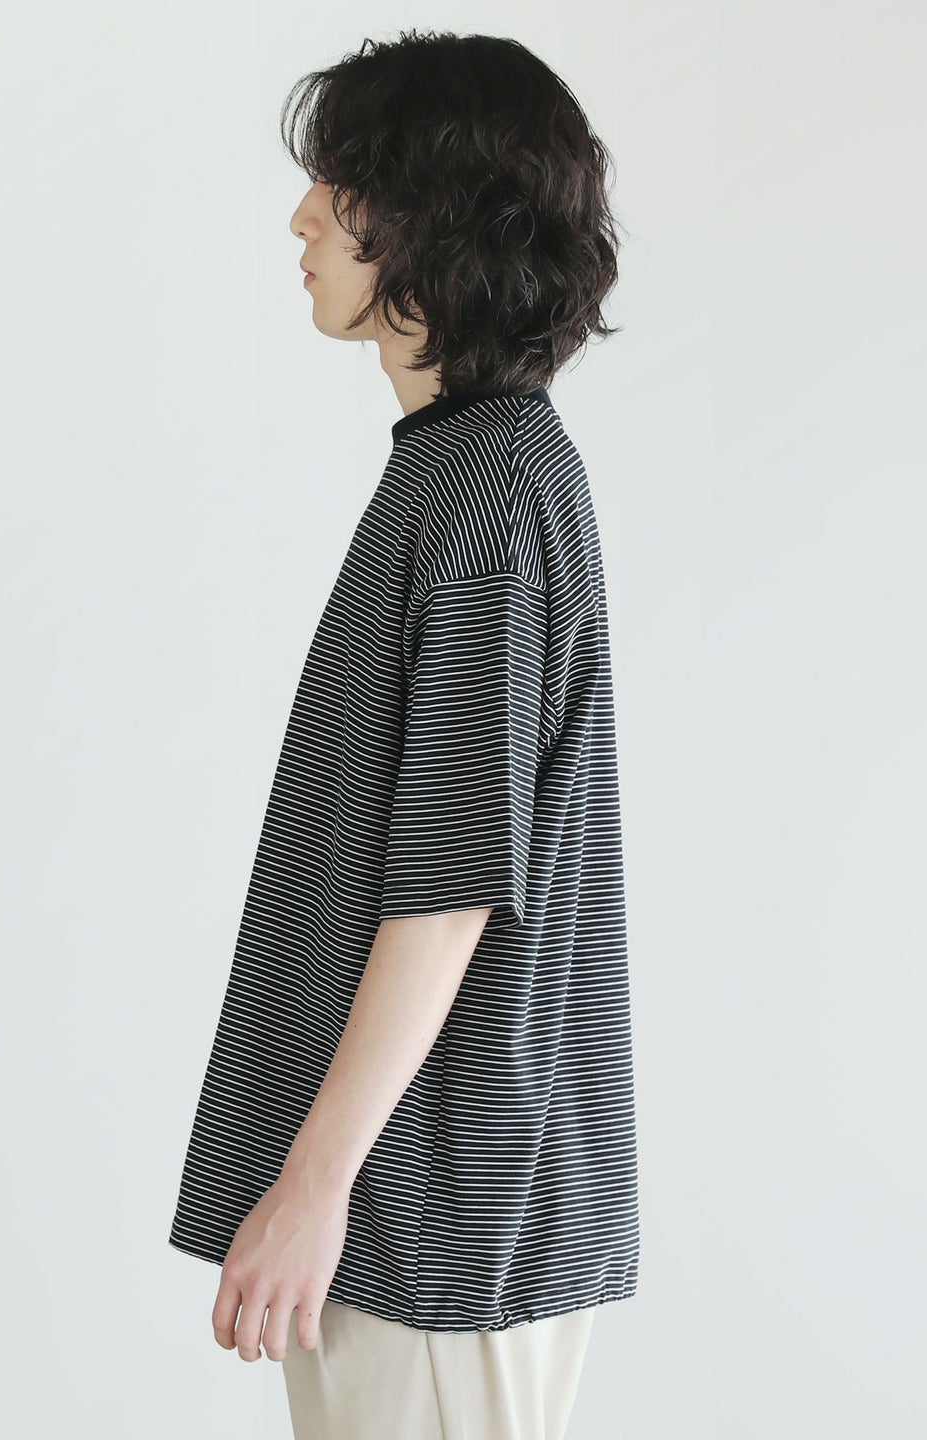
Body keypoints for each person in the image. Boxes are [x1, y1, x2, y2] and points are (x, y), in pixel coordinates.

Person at [168, 29, 640, 1440]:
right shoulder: (463, 472)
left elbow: (449, 892)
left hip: (437, 1212)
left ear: (439, 219)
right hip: (421, 1195)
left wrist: (311, 1188)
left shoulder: (487, 493)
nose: (302, 219)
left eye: (343, 186)